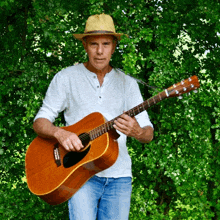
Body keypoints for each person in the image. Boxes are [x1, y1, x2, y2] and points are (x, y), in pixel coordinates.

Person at [33, 13, 154, 220]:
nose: (100, 51)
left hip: (120, 177)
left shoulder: (128, 83)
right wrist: (60, 134)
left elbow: (148, 133)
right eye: (93, 44)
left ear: (114, 46)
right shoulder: (65, 78)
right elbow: (40, 122)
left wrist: (138, 131)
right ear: (84, 46)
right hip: (80, 175)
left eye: (106, 44)